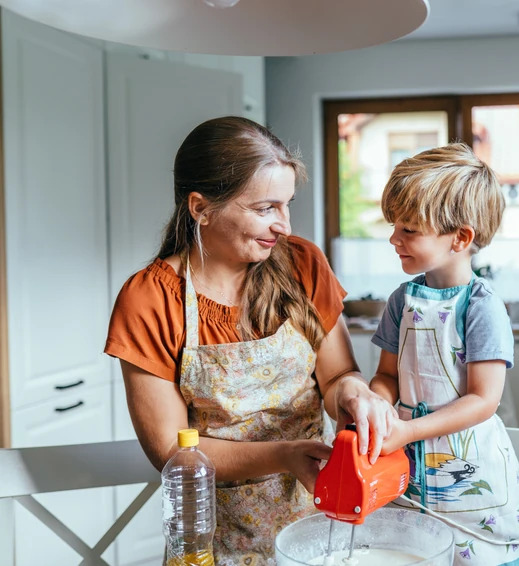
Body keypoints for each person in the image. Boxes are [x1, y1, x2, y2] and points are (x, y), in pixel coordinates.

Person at [104, 116, 395, 566]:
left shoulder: (302, 264)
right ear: (200, 207)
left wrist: (355, 395)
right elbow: (171, 450)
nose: (283, 224)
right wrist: (286, 455)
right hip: (214, 538)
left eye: (287, 205)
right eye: (265, 208)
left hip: (320, 520)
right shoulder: (149, 299)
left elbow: (338, 374)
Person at [369, 143, 519, 566]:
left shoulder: (482, 306)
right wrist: (376, 409)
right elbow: (386, 377)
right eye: (393, 226)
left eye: (409, 230)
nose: (394, 238)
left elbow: (482, 400)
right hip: (405, 473)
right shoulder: (401, 301)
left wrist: (407, 431)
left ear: (461, 237)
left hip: (471, 482)